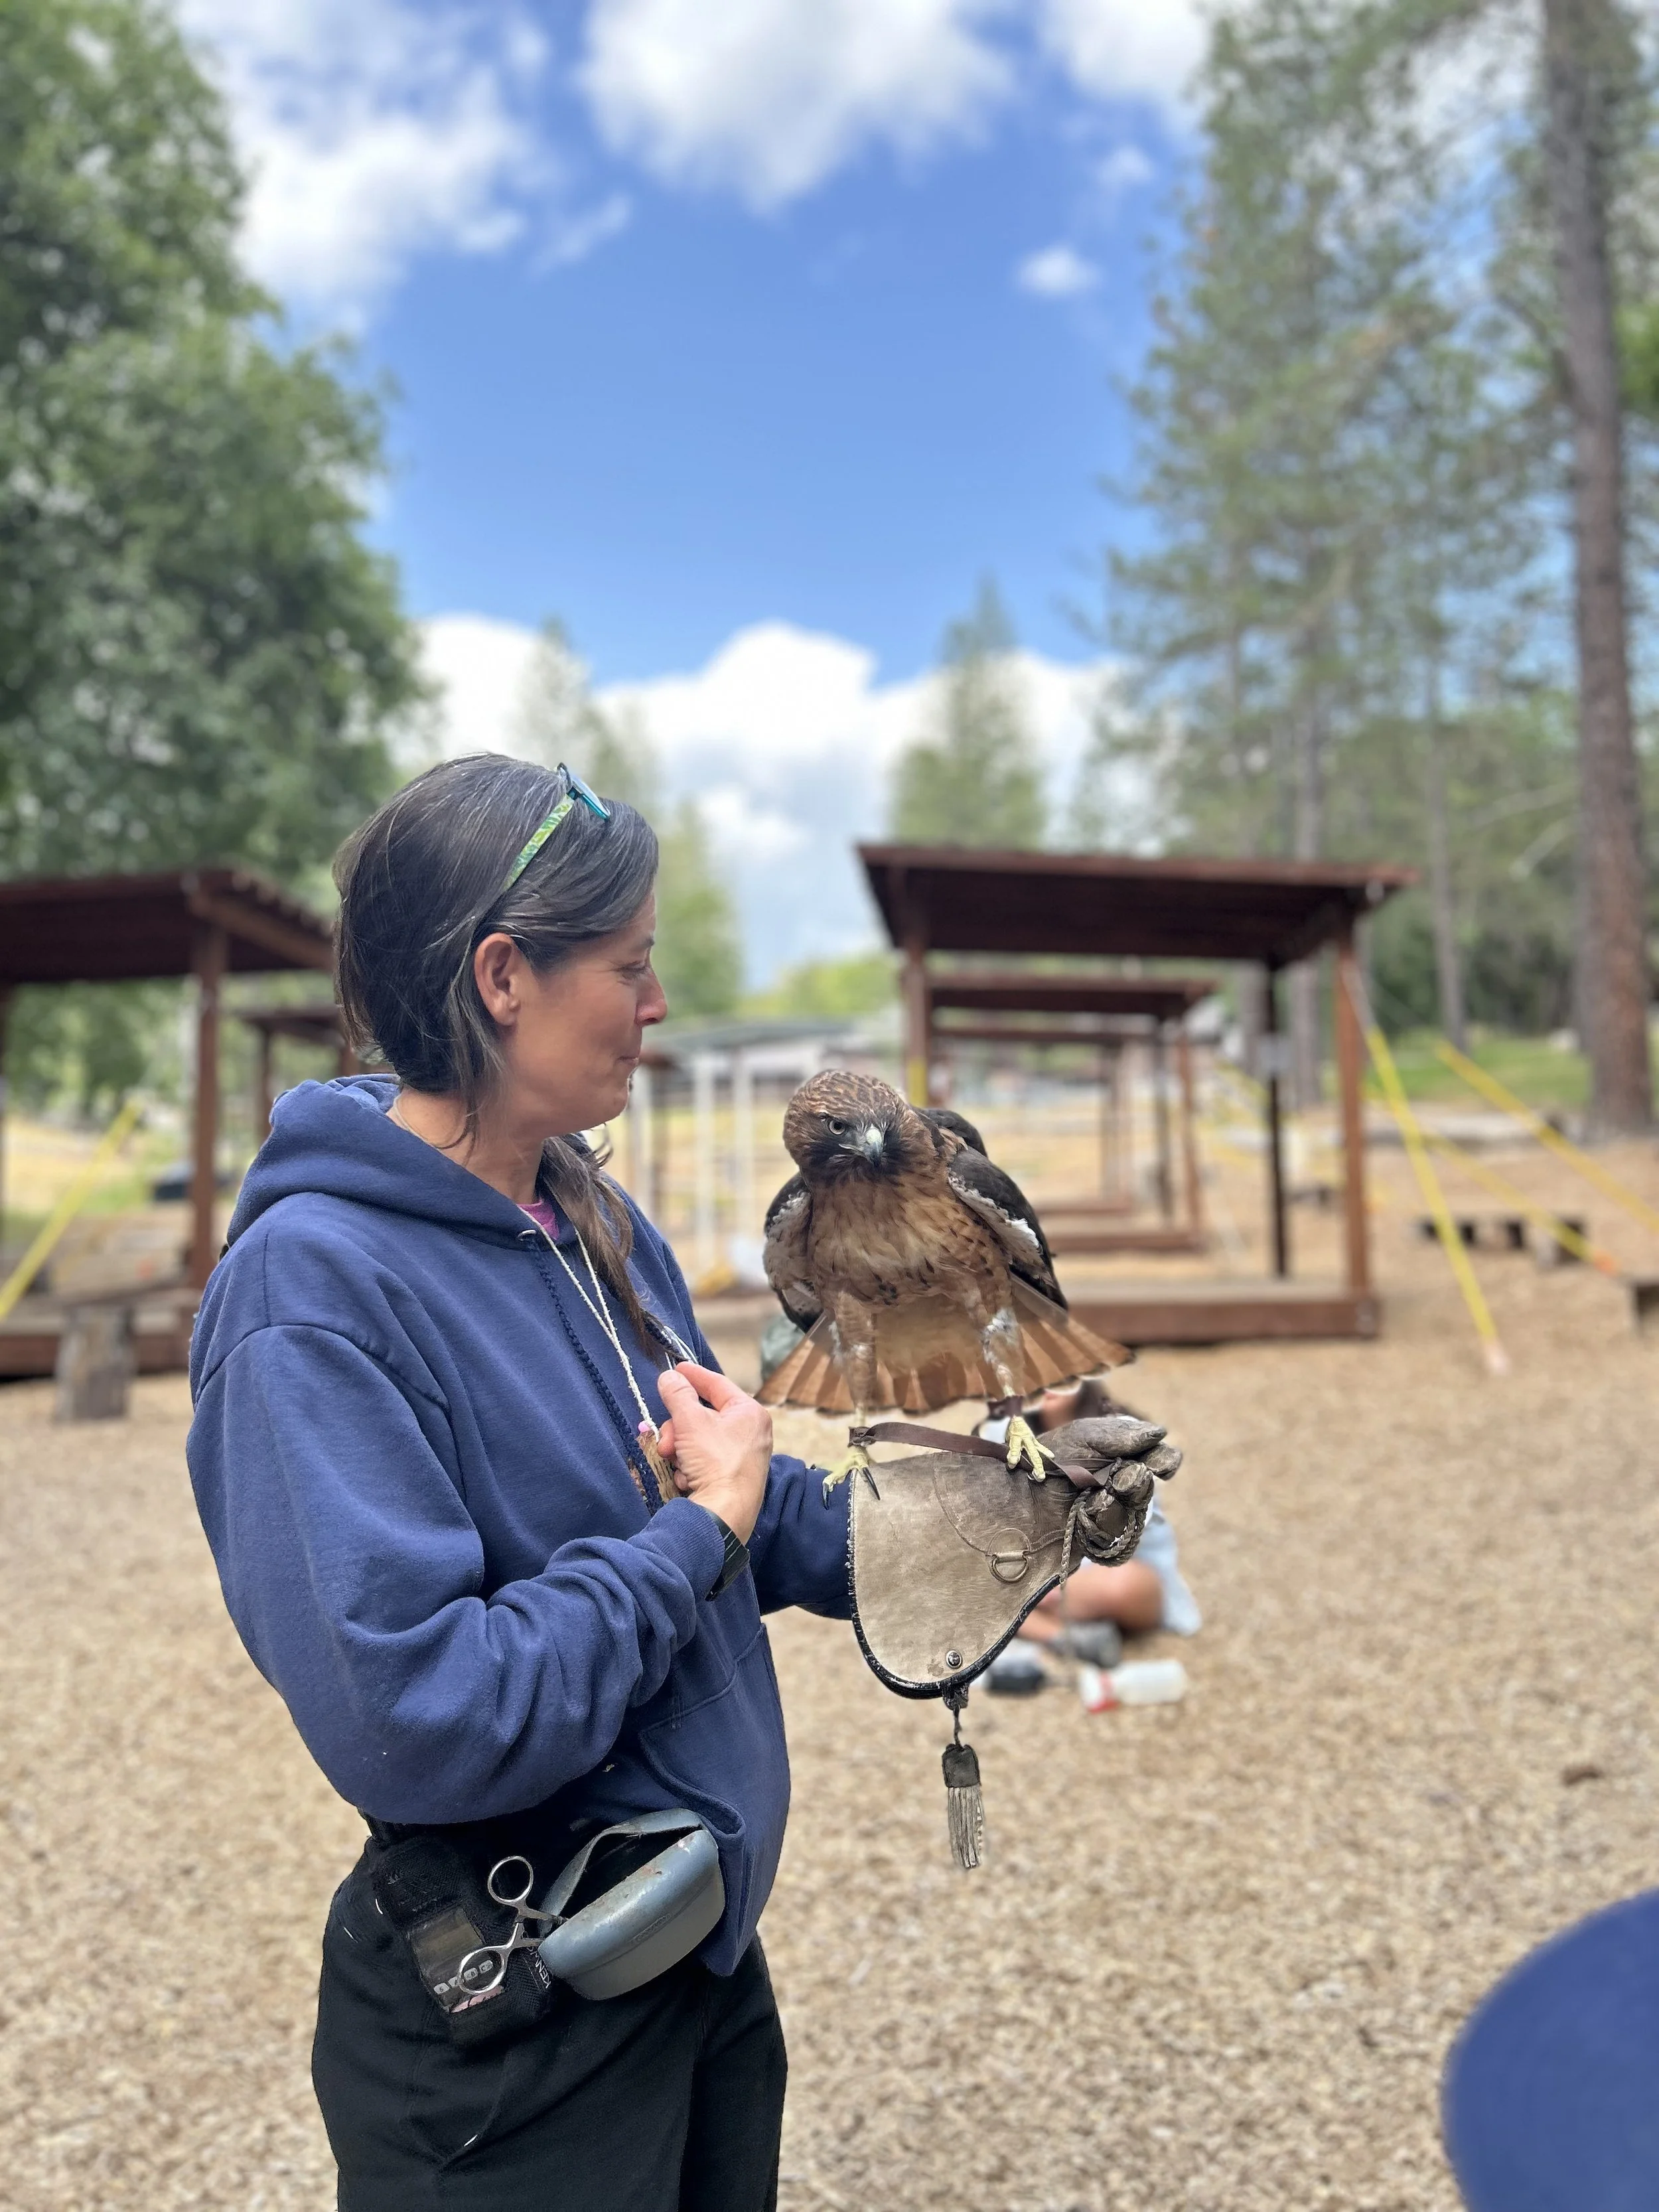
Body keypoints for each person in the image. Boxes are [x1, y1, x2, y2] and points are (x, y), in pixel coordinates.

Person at [186, 756, 854, 2211]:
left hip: (688, 1965)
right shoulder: (311, 1294)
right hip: (509, 2045)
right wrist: (694, 1536)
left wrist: (977, 1535)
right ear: (502, 975)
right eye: (629, 966)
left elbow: (727, 1477)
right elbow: (425, 1717)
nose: (656, 1004)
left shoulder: (585, 1213)